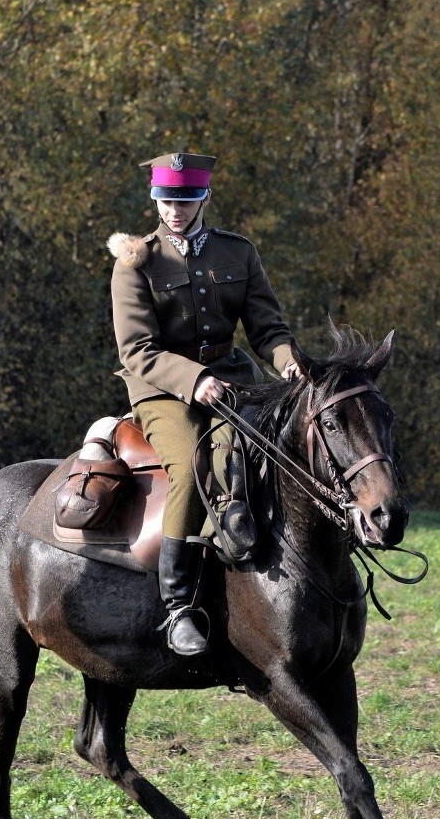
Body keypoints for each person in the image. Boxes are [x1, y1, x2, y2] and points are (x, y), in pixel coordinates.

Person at [108, 151, 300, 657]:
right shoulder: (136, 263)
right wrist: (194, 381)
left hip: (234, 380)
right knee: (192, 466)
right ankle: (178, 608)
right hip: (161, 391)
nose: (175, 210)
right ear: (156, 200)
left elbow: (267, 327)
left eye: (186, 200)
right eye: (167, 200)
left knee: (273, 451)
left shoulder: (238, 254)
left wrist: (288, 361)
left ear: (204, 198)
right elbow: (137, 351)